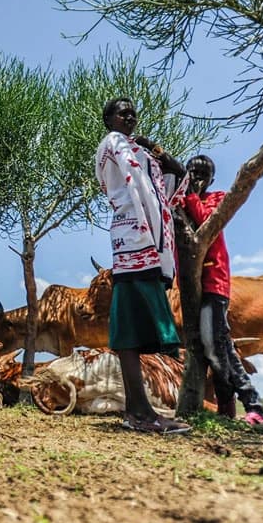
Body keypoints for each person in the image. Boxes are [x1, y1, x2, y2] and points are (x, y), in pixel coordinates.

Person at [94, 97, 191, 435]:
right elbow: (138, 182)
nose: (130, 117)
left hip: (150, 247)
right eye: (123, 112)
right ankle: (139, 412)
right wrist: (143, 151)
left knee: (132, 328)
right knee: (127, 328)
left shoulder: (140, 153)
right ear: (108, 119)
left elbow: (176, 177)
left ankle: (140, 411)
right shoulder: (113, 144)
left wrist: (155, 150)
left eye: (133, 113)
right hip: (133, 241)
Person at [180, 154, 263, 429]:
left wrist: (191, 195)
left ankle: (254, 406)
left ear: (211, 180)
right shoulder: (179, 203)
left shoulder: (216, 199)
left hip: (214, 282)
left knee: (215, 345)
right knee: (213, 346)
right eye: (192, 173)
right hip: (190, 286)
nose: (197, 179)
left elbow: (206, 222)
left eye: (203, 175)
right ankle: (228, 408)